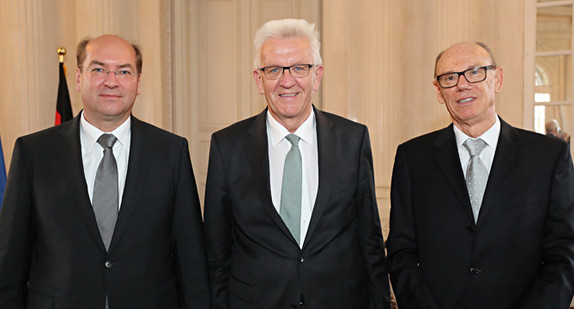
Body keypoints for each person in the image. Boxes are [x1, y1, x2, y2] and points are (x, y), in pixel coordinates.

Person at [0, 35, 209, 308]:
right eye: (98, 69)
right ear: (78, 78)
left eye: (124, 71)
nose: (111, 81)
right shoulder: (34, 153)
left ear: (137, 83)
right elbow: (10, 261)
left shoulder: (171, 152)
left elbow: (190, 259)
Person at [204, 19, 390, 308]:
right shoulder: (227, 146)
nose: (287, 81)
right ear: (258, 79)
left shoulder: (352, 140)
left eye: (299, 68)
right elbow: (216, 251)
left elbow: (369, 241)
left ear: (317, 76)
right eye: (274, 70)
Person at [387, 41, 574, 308]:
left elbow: (564, 253)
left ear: (497, 79)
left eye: (475, 72)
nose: (462, 84)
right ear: (439, 91)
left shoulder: (548, 156)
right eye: (449, 78)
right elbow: (401, 250)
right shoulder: (412, 158)